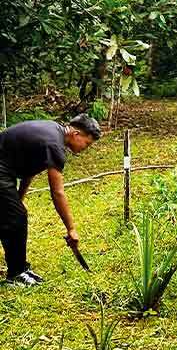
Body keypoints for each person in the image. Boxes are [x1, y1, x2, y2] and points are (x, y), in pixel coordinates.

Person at [0, 114, 101, 287]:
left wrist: (19, 198)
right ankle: (16, 274)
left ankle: (20, 269)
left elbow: (29, 170)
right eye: (87, 143)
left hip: (5, 170)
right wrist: (71, 229)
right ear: (76, 134)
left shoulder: (53, 132)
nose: (86, 148)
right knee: (17, 217)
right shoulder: (55, 145)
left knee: (12, 215)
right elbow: (57, 193)